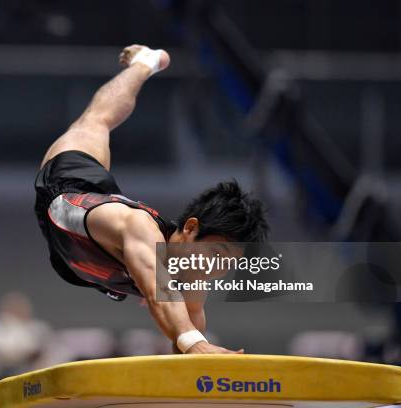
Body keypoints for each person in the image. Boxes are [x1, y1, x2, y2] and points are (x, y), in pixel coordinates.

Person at [34, 45, 268, 355]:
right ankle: (144, 64)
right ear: (191, 228)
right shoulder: (140, 229)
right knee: (96, 121)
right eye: (216, 253)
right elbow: (166, 301)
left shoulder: (193, 278)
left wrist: (202, 359)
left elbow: (188, 341)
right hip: (69, 188)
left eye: (227, 264)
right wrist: (195, 344)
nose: (215, 269)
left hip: (92, 234)